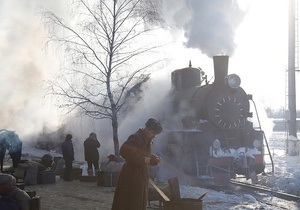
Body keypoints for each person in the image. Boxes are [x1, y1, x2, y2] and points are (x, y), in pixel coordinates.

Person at [111, 118, 163, 210]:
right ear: (147, 129)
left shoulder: (148, 140)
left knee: (138, 203)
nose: (154, 136)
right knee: (130, 203)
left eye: (156, 134)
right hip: (131, 176)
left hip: (141, 177)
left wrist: (153, 159)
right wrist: (142, 159)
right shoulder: (135, 137)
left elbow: (142, 155)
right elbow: (124, 150)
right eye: (153, 133)